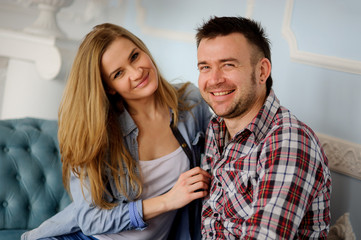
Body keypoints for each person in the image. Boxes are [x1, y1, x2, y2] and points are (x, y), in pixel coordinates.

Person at [21, 23, 212, 240]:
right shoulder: (98, 133)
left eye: (134, 56)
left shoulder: (190, 102)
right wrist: (168, 200)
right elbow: (91, 219)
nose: (137, 72)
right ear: (110, 87)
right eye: (119, 73)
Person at [196, 16, 331, 239]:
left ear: (262, 71)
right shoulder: (217, 127)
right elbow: (212, 219)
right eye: (205, 67)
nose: (214, 79)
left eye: (228, 65)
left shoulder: (288, 141)